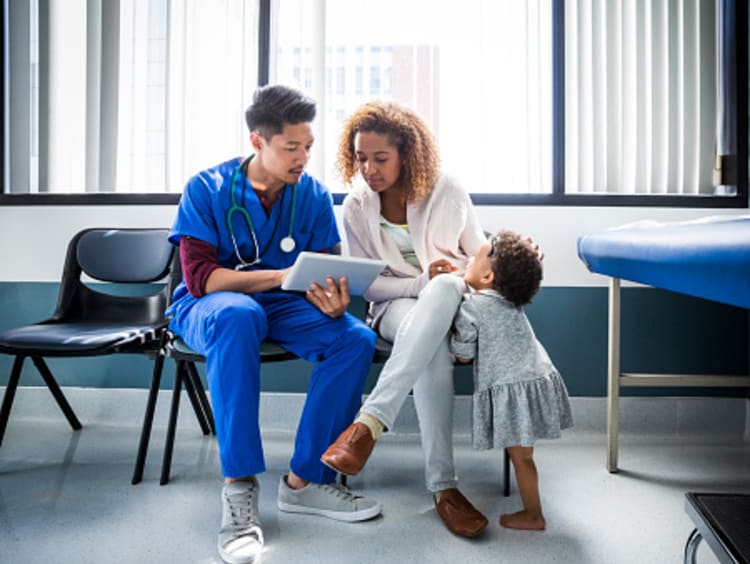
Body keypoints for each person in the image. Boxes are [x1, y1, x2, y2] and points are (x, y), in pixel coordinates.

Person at [166, 84, 381, 564]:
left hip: (282, 305)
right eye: (291, 147)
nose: (303, 156)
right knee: (239, 315)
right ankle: (239, 488)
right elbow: (202, 278)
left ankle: (306, 482)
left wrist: (330, 298)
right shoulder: (207, 188)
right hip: (212, 306)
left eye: (308, 146)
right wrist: (279, 276)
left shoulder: (312, 195)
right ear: (257, 142)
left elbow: (322, 270)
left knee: (354, 338)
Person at [321, 101, 489, 538]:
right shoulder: (356, 206)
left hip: (453, 303)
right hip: (393, 306)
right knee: (431, 343)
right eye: (360, 157)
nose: (368, 169)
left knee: (448, 287)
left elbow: (477, 257)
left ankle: (367, 424)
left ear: (406, 154)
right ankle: (444, 488)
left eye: (380, 158)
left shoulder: (447, 190)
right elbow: (370, 285)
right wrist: (420, 285)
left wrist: (459, 276)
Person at [450, 230, 573, 531]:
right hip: (535, 377)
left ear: (489, 276)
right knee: (525, 456)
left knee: (522, 459)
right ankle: (533, 511)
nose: (468, 259)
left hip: (513, 385)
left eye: (474, 258)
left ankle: (534, 514)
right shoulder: (511, 299)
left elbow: (463, 354)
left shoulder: (472, 306)